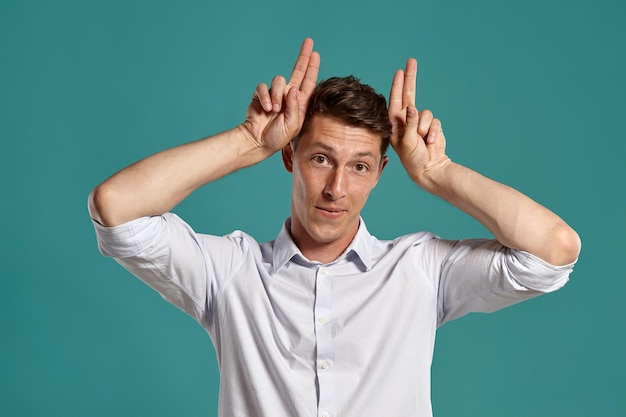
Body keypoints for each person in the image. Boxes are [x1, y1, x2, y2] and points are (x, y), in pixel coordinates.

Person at [88, 38, 581, 417]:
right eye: (321, 159)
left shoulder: (419, 269)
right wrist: (245, 141)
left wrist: (437, 172)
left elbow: (553, 249)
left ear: (381, 173)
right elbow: (115, 206)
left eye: (360, 166)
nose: (336, 188)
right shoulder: (231, 271)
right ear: (290, 157)